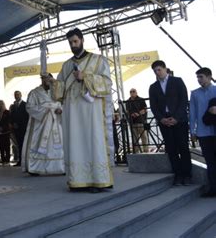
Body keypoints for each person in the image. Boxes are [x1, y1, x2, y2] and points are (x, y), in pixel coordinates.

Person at [49, 27, 113, 193]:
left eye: (75, 41)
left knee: (93, 140)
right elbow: (59, 91)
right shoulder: (66, 65)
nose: (73, 44)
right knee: (75, 142)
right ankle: (77, 180)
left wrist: (86, 77)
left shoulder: (98, 60)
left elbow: (107, 83)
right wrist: (53, 84)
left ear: (82, 40)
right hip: (72, 113)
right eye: (70, 42)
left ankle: (97, 180)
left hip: (91, 111)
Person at [149, 60, 191, 186]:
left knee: (183, 148)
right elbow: (153, 106)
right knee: (171, 150)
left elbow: (183, 100)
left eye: (159, 70)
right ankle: (177, 175)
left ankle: (187, 175)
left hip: (179, 120)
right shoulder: (153, 87)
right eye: (155, 71)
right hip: (164, 121)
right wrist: (161, 119)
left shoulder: (177, 81)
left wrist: (176, 118)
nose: (157, 72)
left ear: (165, 69)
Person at [22, 74, 65, 176]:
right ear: (42, 79)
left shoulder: (56, 93)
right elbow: (29, 107)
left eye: (50, 79)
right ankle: (36, 167)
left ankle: (59, 167)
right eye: (46, 79)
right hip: (40, 124)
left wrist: (61, 109)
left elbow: (63, 104)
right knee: (38, 143)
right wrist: (45, 111)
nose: (49, 81)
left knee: (56, 145)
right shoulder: (34, 93)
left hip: (55, 122)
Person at [189, 67, 216, 197]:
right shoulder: (194, 94)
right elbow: (192, 113)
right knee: (210, 162)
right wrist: (192, 131)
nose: (199, 80)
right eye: (198, 77)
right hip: (203, 132)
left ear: (209, 77)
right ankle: (213, 189)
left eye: (201, 77)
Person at [9, 91, 29, 166]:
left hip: (23, 128)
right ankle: (20, 160)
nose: (16, 96)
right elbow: (12, 116)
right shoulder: (13, 106)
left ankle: (24, 160)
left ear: (21, 95)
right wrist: (12, 123)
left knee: (23, 145)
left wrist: (20, 124)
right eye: (15, 95)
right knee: (18, 145)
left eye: (18, 95)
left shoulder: (25, 105)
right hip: (16, 129)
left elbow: (26, 117)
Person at [126, 88, 149, 153]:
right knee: (134, 138)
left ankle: (146, 150)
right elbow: (127, 111)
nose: (132, 93)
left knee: (143, 137)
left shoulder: (141, 100)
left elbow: (145, 110)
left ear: (136, 92)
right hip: (132, 122)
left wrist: (138, 114)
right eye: (131, 92)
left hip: (140, 121)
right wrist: (131, 114)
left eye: (133, 91)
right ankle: (136, 151)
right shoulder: (128, 101)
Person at [0, 100, 12, 164]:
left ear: (3, 104)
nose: (0, 105)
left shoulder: (7, 112)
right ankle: (3, 158)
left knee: (7, 146)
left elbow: (8, 121)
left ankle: (7, 158)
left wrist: (3, 127)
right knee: (1, 146)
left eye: (1, 104)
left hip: (5, 132)